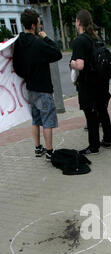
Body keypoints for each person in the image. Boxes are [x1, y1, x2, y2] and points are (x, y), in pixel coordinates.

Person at [13, 8, 62, 160]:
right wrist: (46, 37)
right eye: (39, 24)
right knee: (47, 120)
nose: (40, 27)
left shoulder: (19, 42)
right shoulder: (38, 43)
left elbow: (16, 66)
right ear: (33, 25)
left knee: (35, 120)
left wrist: (26, 75)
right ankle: (49, 152)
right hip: (43, 89)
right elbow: (57, 53)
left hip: (30, 88)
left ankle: (37, 148)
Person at [70, 9, 111, 155]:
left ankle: (93, 146)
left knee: (91, 114)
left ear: (79, 22)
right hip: (101, 81)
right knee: (102, 110)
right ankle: (107, 139)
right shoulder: (96, 38)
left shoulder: (80, 40)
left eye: (76, 21)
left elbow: (80, 65)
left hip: (88, 83)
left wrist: (71, 63)